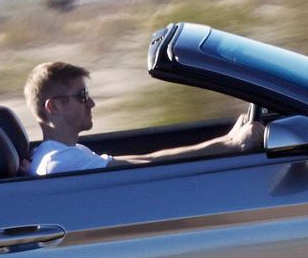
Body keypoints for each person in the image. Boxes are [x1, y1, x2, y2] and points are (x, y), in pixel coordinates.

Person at [21, 60, 259, 175]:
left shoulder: (67, 153)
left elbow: (143, 158)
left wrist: (228, 140)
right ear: (53, 107)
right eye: (82, 96)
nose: (91, 103)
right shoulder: (61, 162)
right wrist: (230, 144)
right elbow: (146, 164)